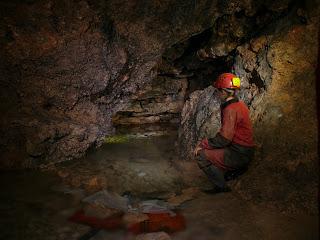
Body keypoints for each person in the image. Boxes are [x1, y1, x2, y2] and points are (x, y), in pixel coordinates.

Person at [194, 73, 255, 194]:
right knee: (215, 150)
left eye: (218, 90)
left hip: (239, 154)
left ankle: (221, 187)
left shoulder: (230, 109)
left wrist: (203, 144)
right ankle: (233, 172)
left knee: (200, 155)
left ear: (223, 91)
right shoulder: (240, 104)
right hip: (245, 150)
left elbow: (224, 139)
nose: (217, 93)